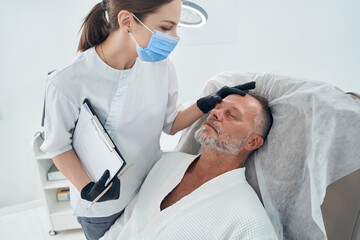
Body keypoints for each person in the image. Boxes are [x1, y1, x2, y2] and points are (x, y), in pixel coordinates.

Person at [39, 0, 255, 239]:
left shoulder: (161, 67)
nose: (175, 37)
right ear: (127, 21)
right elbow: (58, 147)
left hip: (150, 189)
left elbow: (171, 125)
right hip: (102, 207)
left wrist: (207, 103)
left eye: (176, 28)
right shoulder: (66, 80)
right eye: (166, 27)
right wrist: (88, 189)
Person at [101, 92, 278, 240]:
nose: (215, 113)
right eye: (217, 107)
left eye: (232, 115)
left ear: (252, 141)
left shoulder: (250, 222)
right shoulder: (167, 163)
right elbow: (123, 225)